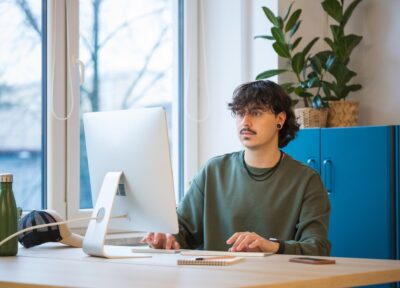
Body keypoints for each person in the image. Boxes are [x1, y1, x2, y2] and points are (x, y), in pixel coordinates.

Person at [142, 80, 331, 255]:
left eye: (256, 112)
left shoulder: (306, 180)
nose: (245, 122)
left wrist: (271, 246)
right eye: (240, 113)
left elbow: (317, 247)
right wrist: (167, 238)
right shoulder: (213, 171)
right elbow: (183, 231)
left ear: (279, 119)